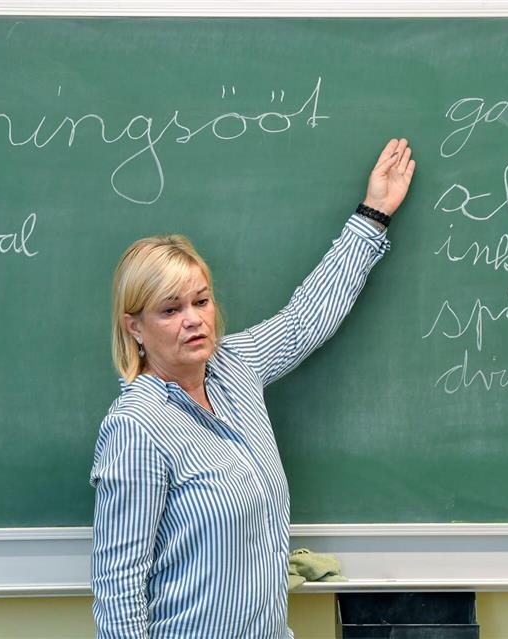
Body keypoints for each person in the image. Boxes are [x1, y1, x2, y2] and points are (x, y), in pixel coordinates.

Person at [90, 139, 415, 638]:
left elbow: (307, 317)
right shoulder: (137, 427)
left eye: (201, 301)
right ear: (135, 327)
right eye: (170, 310)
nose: (194, 320)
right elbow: (118, 587)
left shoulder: (235, 366)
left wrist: (373, 215)